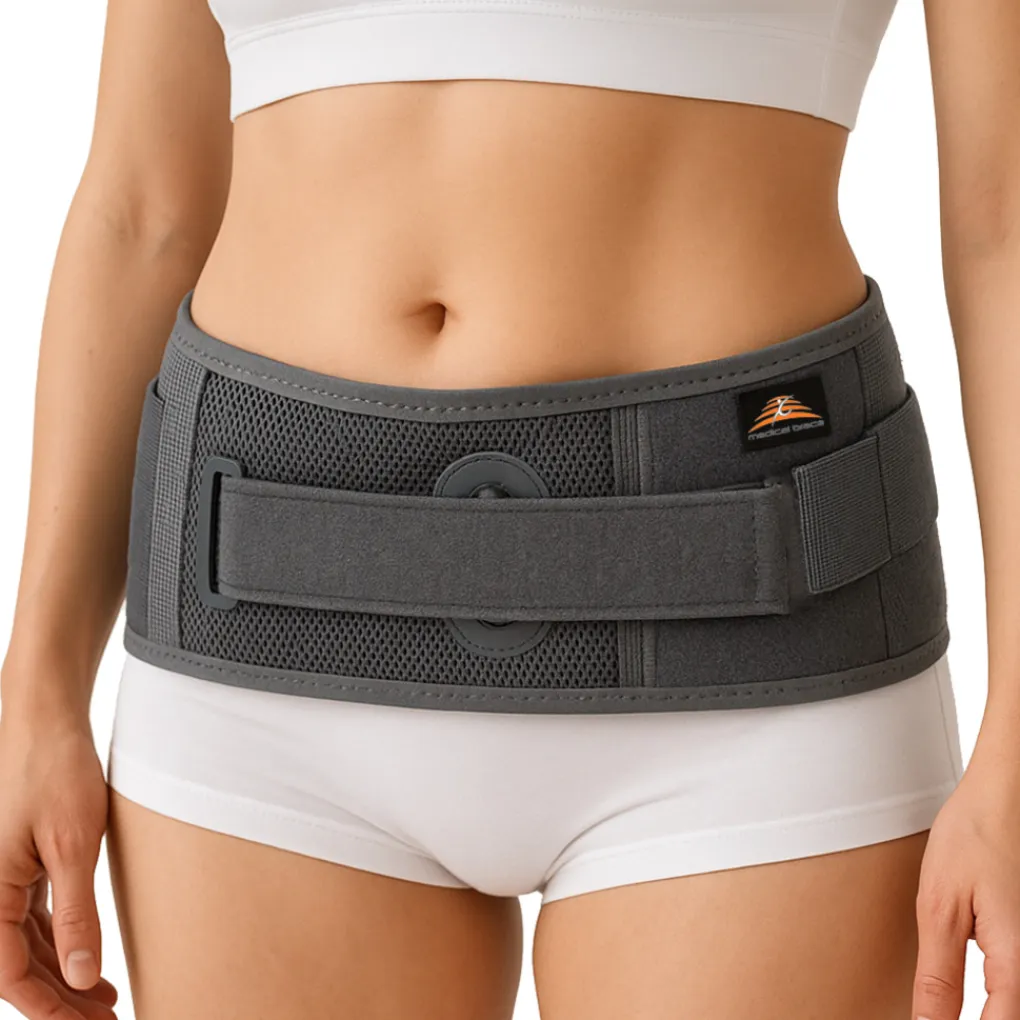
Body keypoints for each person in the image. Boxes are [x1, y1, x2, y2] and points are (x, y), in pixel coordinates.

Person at [0, 0, 1018, 1016]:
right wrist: (37, 683)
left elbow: (1002, 224)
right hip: (263, 626)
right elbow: (143, 208)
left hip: (749, 644)